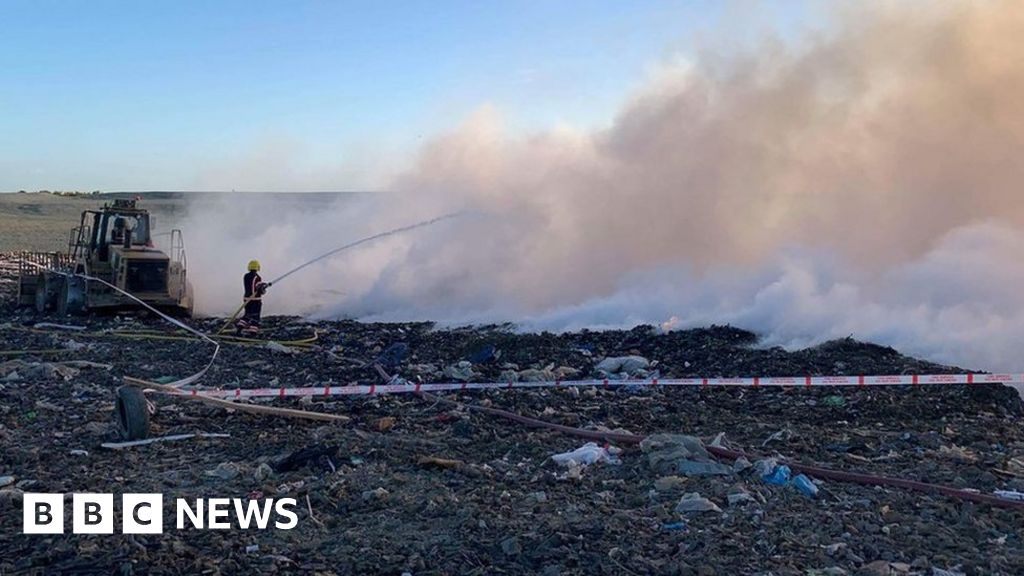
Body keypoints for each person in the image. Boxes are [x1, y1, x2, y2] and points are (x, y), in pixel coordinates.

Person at [237, 259, 269, 334]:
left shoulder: (246, 276)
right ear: (257, 267)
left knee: (247, 313)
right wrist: (264, 287)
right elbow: (259, 289)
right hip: (255, 300)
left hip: (246, 298)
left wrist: (262, 285)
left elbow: (252, 286)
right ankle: (253, 331)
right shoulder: (257, 277)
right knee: (255, 315)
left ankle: (240, 327)